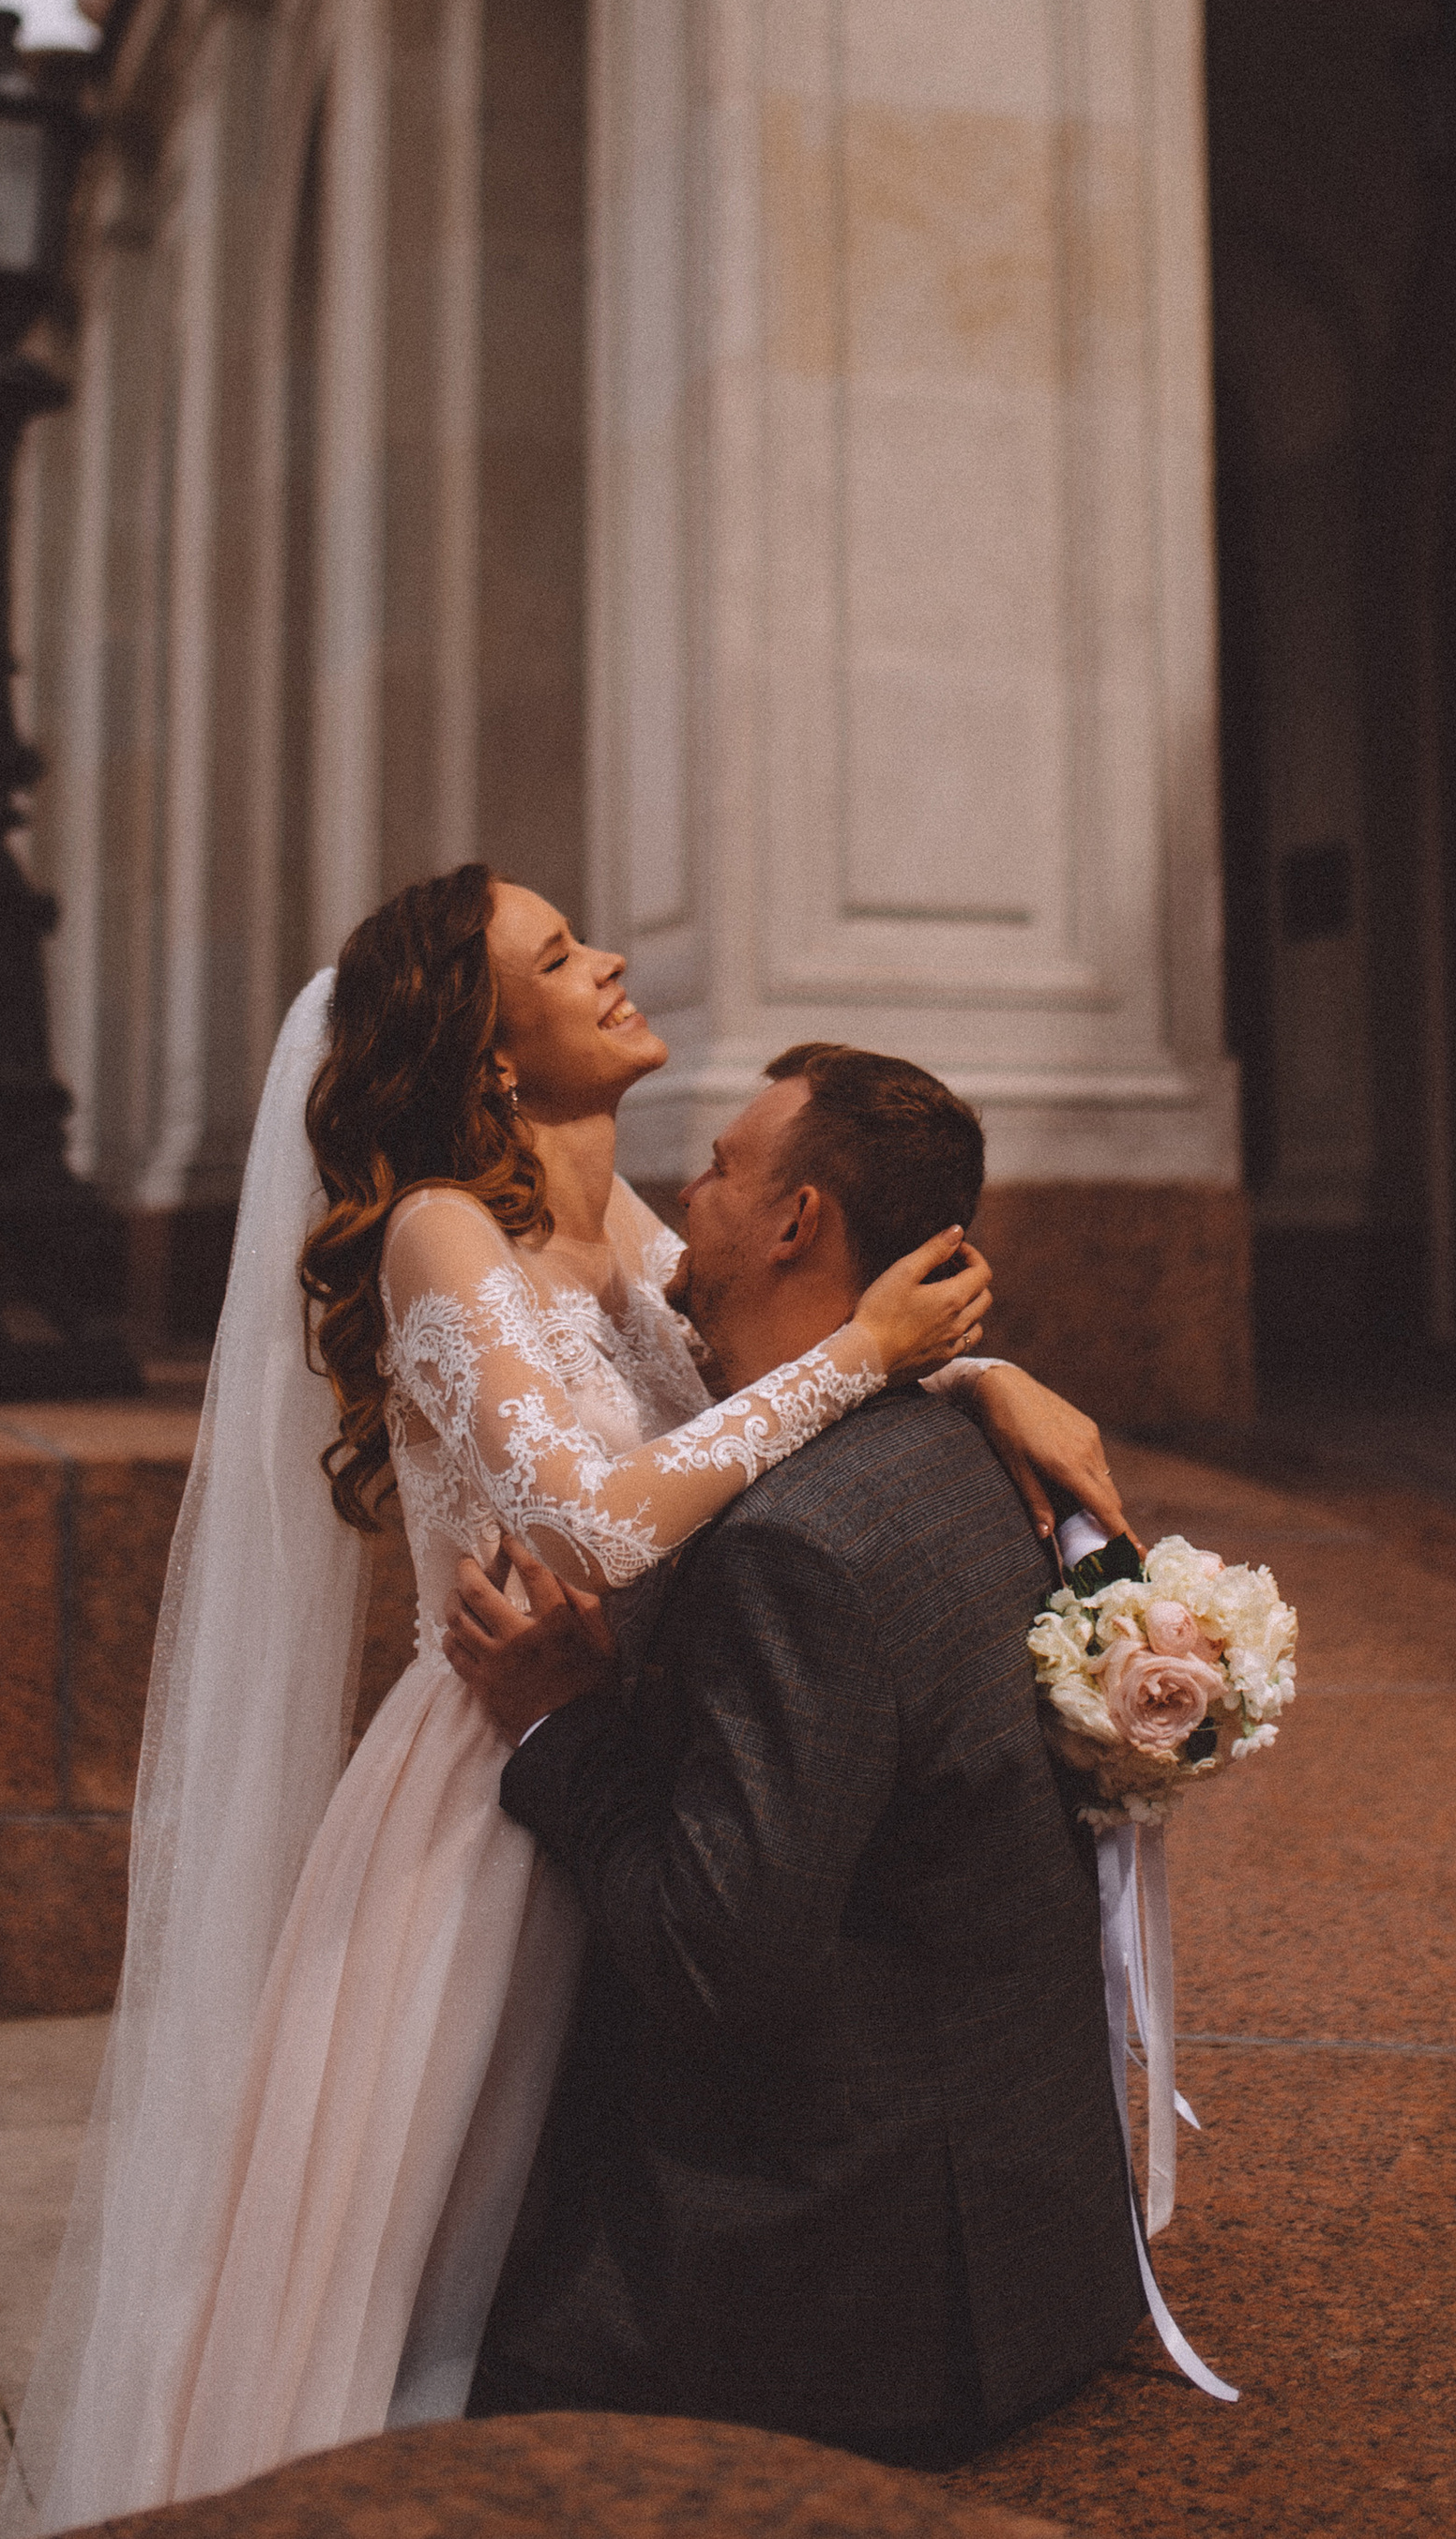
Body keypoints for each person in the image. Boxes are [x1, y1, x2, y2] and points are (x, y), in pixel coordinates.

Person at [0, 869, 1130, 2534]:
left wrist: (974, 1369)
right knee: (421, 2249)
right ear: (491, 1052)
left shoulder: (633, 1233)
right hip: (492, 1772)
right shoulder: (440, 1229)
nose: (606, 961)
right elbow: (598, 1521)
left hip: (634, 1751)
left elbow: (766, 1348)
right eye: (556, 956)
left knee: (570, 2209)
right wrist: (878, 1355)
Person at [446, 1042, 1147, 2464]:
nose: (679, 1200)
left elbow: (720, 1961)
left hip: (874, 2291)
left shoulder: (789, 1548)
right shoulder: (951, 1446)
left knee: (443, 2359)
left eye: (713, 1170)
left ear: (796, 1222)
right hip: (1037, 2237)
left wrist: (558, 1722)